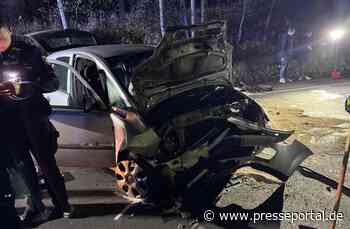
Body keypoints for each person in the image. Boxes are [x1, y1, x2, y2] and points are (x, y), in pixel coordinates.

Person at [0, 18, 74, 222]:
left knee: (46, 163)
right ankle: (36, 205)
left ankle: (62, 205)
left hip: (33, 117)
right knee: (22, 165)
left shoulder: (29, 51)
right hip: (7, 121)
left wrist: (32, 85)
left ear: (10, 30)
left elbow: (53, 81)